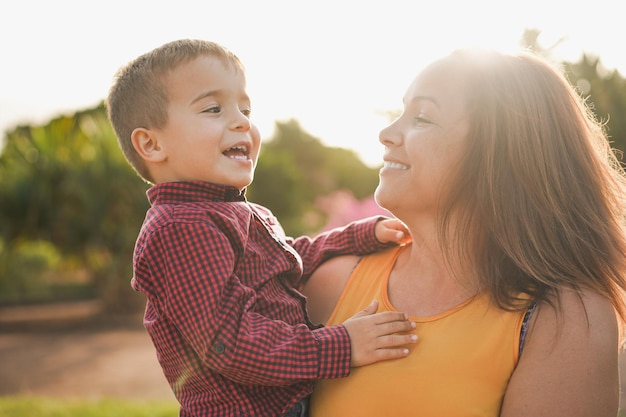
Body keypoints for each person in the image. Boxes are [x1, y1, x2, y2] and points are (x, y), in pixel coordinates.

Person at [301, 48, 626, 417]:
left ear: (499, 151)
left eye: (422, 118)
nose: (387, 133)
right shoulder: (331, 282)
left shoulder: (568, 318)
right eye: (401, 113)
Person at [105, 39, 417, 417]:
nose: (241, 121)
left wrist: (356, 235)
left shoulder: (230, 210)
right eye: (213, 108)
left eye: (246, 108)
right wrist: (341, 345)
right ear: (152, 144)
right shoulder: (179, 228)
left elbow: (285, 260)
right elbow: (229, 343)